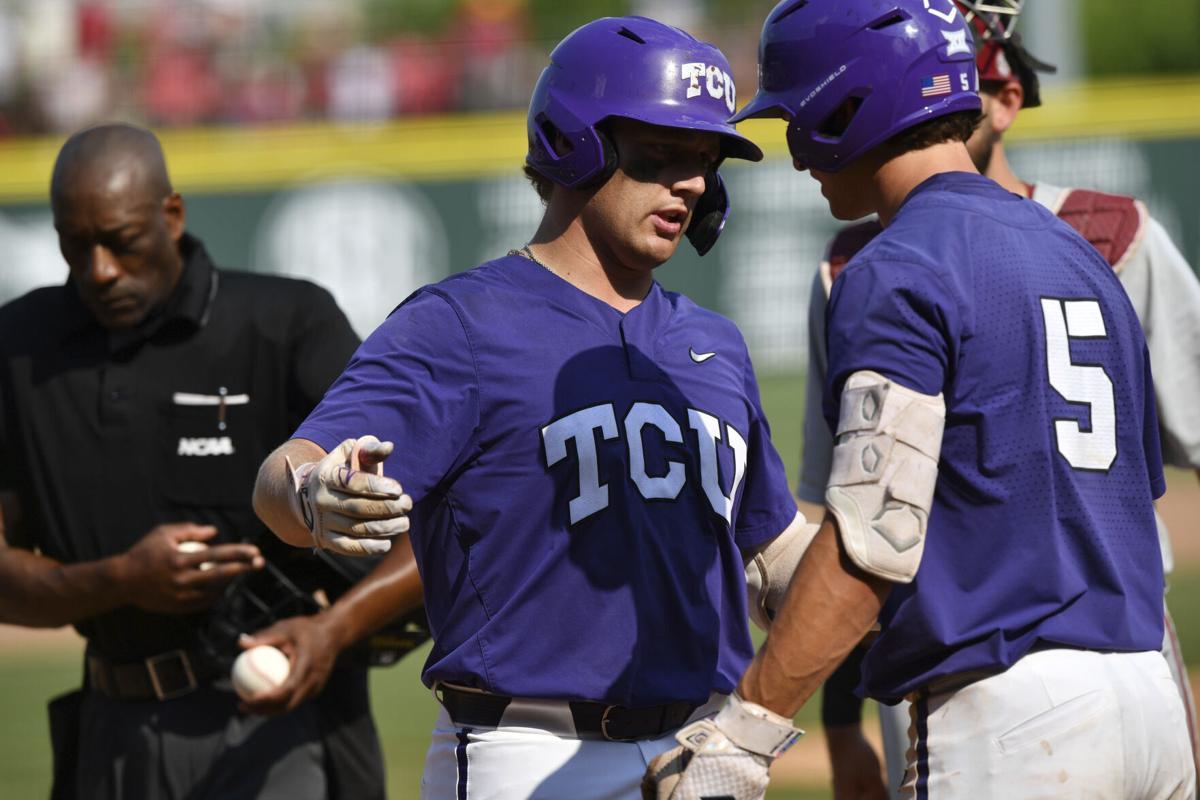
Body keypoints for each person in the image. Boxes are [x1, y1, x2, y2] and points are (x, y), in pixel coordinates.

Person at [643, 1, 1196, 797]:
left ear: (848, 108)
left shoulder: (896, 264)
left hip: (1009, 715)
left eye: (798, 118)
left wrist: (748, 726)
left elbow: (875, 534)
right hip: (1150, 697)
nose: (797, 155)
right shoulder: (1079, 256)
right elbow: (1134, 499)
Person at [252, 15, 810, 799]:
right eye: (662, 154)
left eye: (705, 161)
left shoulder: (714, 343)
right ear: (575, 143)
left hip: (702, 757)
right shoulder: (460, 324)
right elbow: (284, 474)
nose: (689, 182)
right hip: (524, 752)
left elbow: (770, 554)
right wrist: (311, 496)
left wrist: (890, 575)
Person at [0, 123, 398, 800]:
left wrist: (333, 630)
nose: (98, 269)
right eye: (76, 244)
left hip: (284, 724)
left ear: (172, 215)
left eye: (121, 242)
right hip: (112, 730)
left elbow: (428, 522)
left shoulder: (286, 323)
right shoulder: (18, 347)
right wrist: (121, 578)